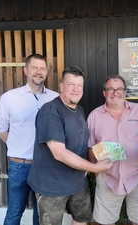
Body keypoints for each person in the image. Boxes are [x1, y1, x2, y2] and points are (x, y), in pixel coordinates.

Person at [27, 66, 113, 225]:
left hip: (78, 183)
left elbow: (79, 141)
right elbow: (59, 152)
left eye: (79, 85)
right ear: (61, 86)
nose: (76, 89)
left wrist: (86, 166)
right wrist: (94, 167)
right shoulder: (51, 111)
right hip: (51, 188)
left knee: (81, 220)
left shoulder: (79, 109)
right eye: (71, 84)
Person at [0, 54, 59, 225]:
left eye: (42, 68)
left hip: (46, 166)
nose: (39, 72)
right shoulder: (10, 98)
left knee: (41, 215)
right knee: (14, 213)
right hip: (19, 165)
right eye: (34, 68)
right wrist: (15, 144)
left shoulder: (55, 99)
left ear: (47, 72)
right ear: (26, 70)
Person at [87, 75, 138, 225]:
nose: (115, 92)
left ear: (125, 92)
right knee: (104, 222)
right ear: (104, 92)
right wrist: (97, 173)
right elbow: (91, 147)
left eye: (119, 89)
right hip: (108, 178)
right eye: (110, 89)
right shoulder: (94, 116)